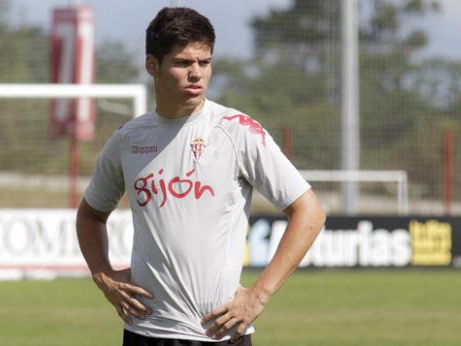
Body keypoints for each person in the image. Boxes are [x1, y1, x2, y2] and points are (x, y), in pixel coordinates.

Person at [76, 7, 325, 346]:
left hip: (220, 333)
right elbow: (91, 215)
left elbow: (309, 212)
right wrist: (102, 275)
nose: (197, 73)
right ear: (153, 66)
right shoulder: (128, 140)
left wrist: (258, 296)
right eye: (183, 63)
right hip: (145, 332)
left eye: (204, 62)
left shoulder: (237, 131)